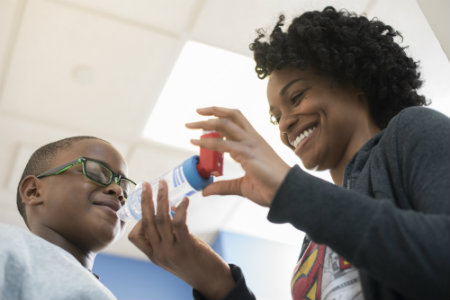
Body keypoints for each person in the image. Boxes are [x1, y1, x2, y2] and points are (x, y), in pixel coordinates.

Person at [128, 6, 450, 300]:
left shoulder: (411, 133)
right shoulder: (313, 239)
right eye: (276, 116)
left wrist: (289, 189)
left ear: (354, 81)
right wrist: (214, 281)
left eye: (296, 97)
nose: (284, 125)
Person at [0, 136, 137, 300]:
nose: (118, 190)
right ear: (33, 191)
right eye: (94, 172)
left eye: (124, 187)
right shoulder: (7, 245)